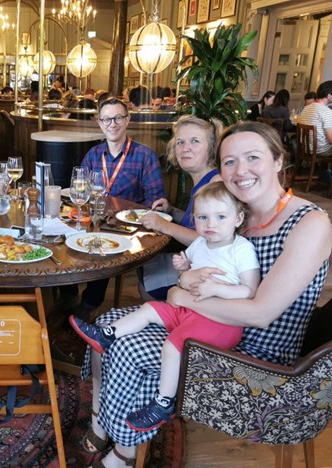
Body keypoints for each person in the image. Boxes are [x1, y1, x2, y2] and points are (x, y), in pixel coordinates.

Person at [80, 121, 331, 467]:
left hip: (257, 359)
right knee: (109, 323)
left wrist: (184, 297)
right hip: (211, 324)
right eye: (229, 162)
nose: (240, 170)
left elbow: (260, 313)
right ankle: (106, 423)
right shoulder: (241, 216)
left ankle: (123, 452)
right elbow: (200, 263)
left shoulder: (309, 221)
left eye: (253, 157)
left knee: (126, 347)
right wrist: (185, 281)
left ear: (278, 161)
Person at [71, 181, 260, 431]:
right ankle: (108, 335)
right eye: (203, 217)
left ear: (238, 218)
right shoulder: (200, 243)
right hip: (190, 310)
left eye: (220, 217)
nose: (210, 224)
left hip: (221, 322)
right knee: (149, 309)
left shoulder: (241, 249)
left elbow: (249, 290)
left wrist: (216, 289)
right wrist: (183, 265)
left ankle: (163, 403)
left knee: (172, 347)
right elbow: (188, 267)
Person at [58, 97, 166, 317]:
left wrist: (127, 216)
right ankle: (68, 294)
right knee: (62, 240)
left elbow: (155, 201)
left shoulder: (145, 156)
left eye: (118, 118)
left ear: (127, 120)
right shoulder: (93, 155)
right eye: (106, 119)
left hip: (126, 229)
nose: (112, 124)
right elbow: (80, 192)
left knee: (104, 248)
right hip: (93, 221)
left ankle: (89, 303)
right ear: (100, 123)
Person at [139, 115, 223, 299]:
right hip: (194, 262)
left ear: (211, 148)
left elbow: (211, 242)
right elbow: (196, 223)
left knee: (147, 275)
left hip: (210, 275)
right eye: (180, 142)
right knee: (146, 266)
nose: (185, 148)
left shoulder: (215, 185)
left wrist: (163, 225)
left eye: (195, 141)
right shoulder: (203, 181)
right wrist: (171, 211)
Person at [298, 80, 332, 156]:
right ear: (329, 95)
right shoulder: (327, 111)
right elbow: (330, 140)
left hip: (305, 148)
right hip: (321, 150)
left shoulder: (306, 108)